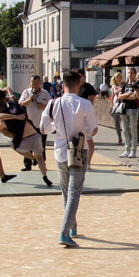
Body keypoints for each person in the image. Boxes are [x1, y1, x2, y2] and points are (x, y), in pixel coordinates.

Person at [40, 70, 97, 248]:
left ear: (62, 85)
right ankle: (65, 232)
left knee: (66, 192)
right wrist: (84, 132)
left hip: (60, 152)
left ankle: (72, 227)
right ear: (78, 85)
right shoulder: (85, 104)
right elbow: (93, 129)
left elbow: (43, 128)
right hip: (79, 150)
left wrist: (56, 127)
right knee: (74, 193)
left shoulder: (53, 103)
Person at [0, 90, 55, 187]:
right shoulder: (16, 107)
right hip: (35, 135)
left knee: (14, 146)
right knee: (40, 157)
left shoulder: (3, 121)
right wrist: (6, 91)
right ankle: (44, 175)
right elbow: (10, 94)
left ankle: (32, 158)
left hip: (25, 140)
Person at [18, 75, 51, 171]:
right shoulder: (26, 92)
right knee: (28, 144)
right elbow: (21, 104)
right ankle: (27, 164)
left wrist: (43, 107)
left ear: (40, 83)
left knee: (41, 144)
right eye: (33, 83)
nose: (34, 85)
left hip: (41, 123)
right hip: (29, 123)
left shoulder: (45, 93)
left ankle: (42, 163)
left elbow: (51, 106)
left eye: (36, 83)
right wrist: (29, 99)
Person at [117, 67, 139, 158]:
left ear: (134, 74)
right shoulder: (125, 85)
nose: (129, 74)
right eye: (128, 73)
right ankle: (126, 149)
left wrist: (125, 96)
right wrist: (127, 95)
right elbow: (119, 96)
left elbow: (135, 96)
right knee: (125, 130)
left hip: (133, 109)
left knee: (133, 130)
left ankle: (133, 150)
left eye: (131, 73)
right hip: (124, 109)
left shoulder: (136, 84)